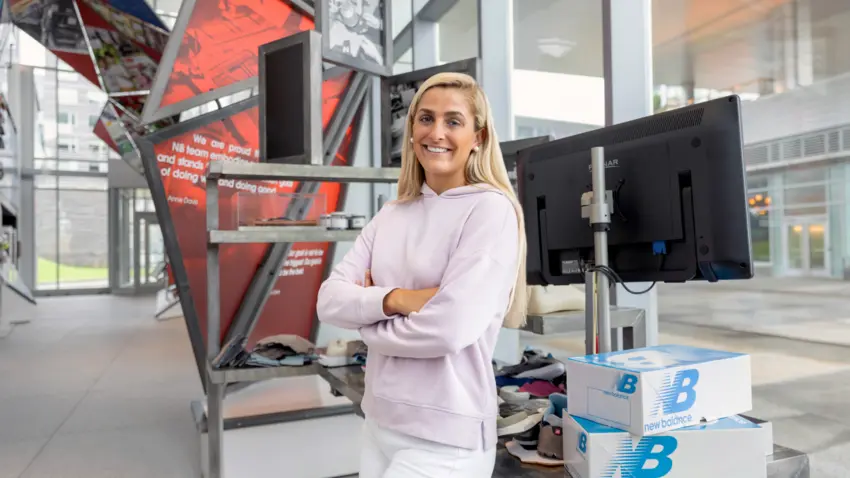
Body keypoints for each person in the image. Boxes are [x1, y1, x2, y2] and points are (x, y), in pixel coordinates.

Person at [316, 72, 528, 477]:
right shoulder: (392, 213)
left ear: (478, 137)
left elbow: (449, 329)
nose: (437, 132)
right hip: (379, 421)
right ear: (412, 130)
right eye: (426, 118)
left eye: (453, 121)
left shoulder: (490, 210)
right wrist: (396, 299)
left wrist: (368, 323)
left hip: (446, 439)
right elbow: (329, 301)